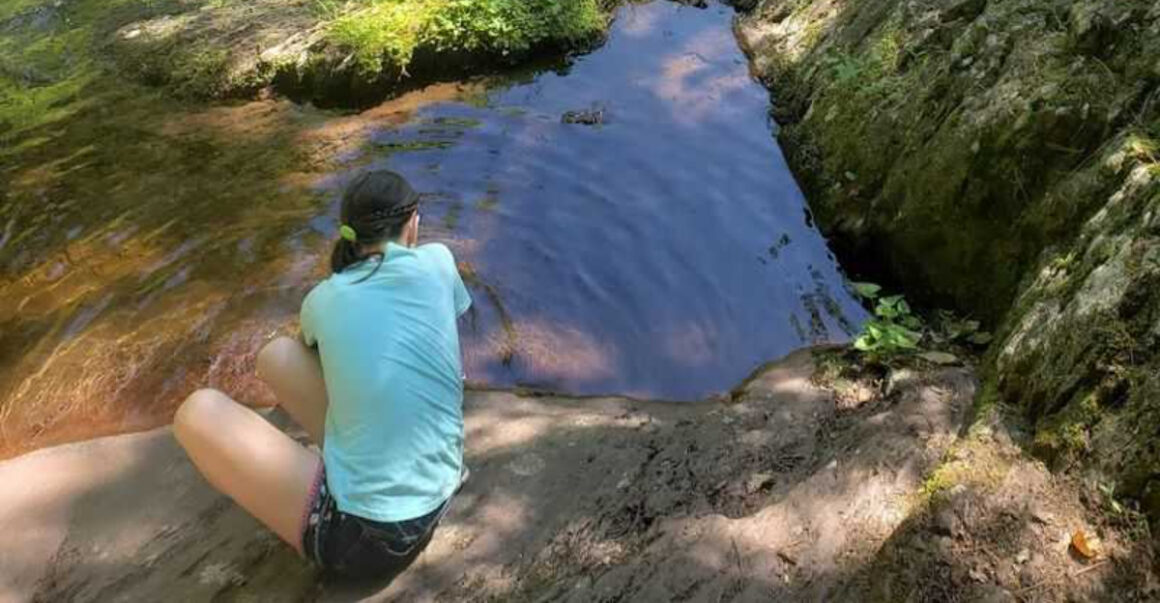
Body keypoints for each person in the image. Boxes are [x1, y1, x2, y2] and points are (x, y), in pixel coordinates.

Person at [174, 169, 472, 579]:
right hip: (441, 481)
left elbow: (320, 350)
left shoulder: (323, 299)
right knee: (276, 355)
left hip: (368, 540)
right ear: (414, 223)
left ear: (350, 234)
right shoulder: (440, 261)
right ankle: (334, 471)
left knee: (197, 411)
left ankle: (293, 494)